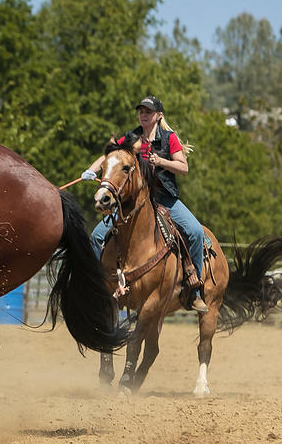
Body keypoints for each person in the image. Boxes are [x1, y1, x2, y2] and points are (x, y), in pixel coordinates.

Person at [82, 96, 209, 313]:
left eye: (148, 111)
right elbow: (109, 158)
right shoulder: (131, 138)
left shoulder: (169, 139)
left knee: (196, 232)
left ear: (158, 116)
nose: (143, 114)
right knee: (96, 236)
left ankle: (194, 289)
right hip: (135, 202)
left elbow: (183, 167)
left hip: (165, 199)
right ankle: (94, 285)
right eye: (141, 111)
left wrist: (160, 162)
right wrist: (92, 170)